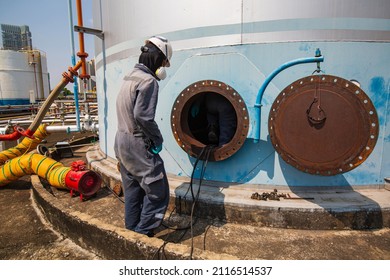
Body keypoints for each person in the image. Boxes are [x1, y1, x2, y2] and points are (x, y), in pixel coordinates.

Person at [114, 36, 172, 237]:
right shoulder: (149, 81)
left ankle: (131, 233)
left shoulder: (130, 76)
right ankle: (143, 235)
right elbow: (143, 117)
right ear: (158, 59)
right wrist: (158, 139)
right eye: (164, 62)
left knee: (133, 192)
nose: (163, 68)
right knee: (158, 192)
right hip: (137, 144)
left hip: (121, 142)